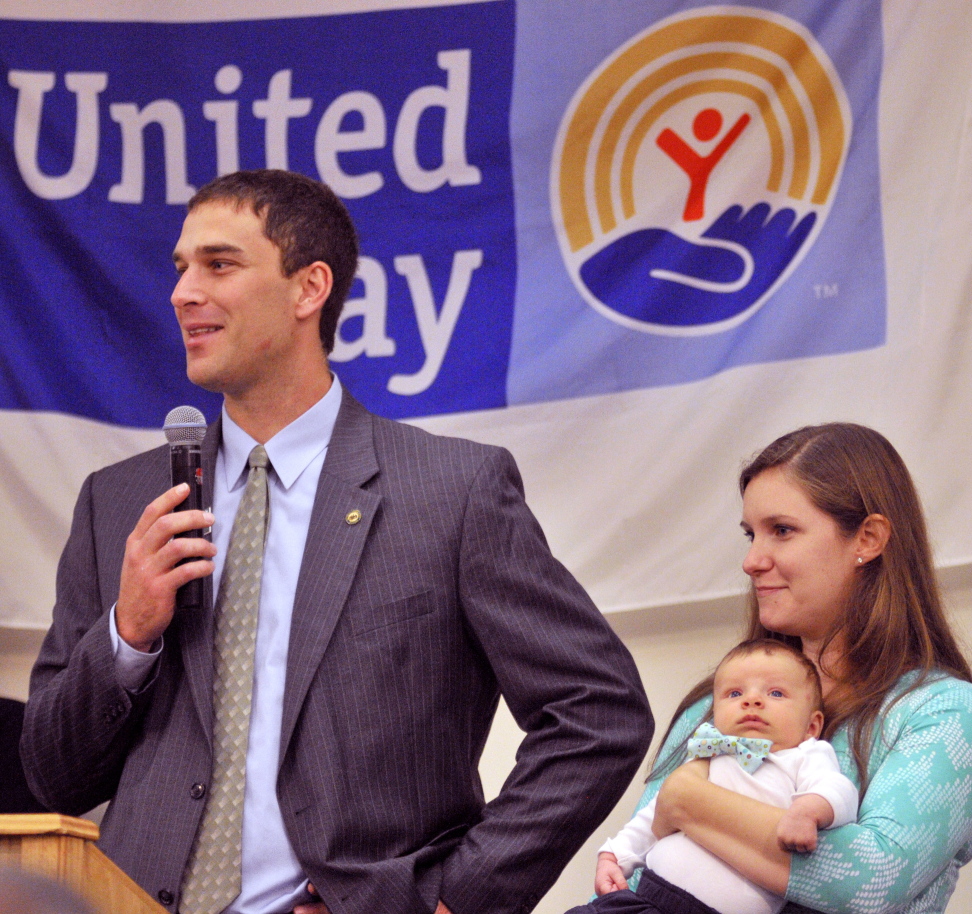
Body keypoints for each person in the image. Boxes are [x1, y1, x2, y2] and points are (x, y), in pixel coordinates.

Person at [20, 169, 654, 914]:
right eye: (181, 268)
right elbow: (52, 775)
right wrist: (127, 636)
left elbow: (598, 713)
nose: (182, 292)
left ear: (308, 288)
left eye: (218, 265)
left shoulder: (450, 491)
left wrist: (458, 897)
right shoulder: (121, 501)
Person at [636, 423, 972, 914]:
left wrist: (689, 801)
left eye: (781, 530)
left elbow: (870, 884)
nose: (751, 560)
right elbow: (629, 879)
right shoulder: (716, 700)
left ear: (867, 539)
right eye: (750, 534)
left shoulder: (945, 711)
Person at [574, 639, 857, 914]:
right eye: (735, 694)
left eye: (776, 693)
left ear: (811, 725)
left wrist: (808, 811)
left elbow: (839, 790)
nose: (752, 700)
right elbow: (658, 810)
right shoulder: (710, 756)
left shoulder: (806, 755)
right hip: (648, 898)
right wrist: (615, 855)